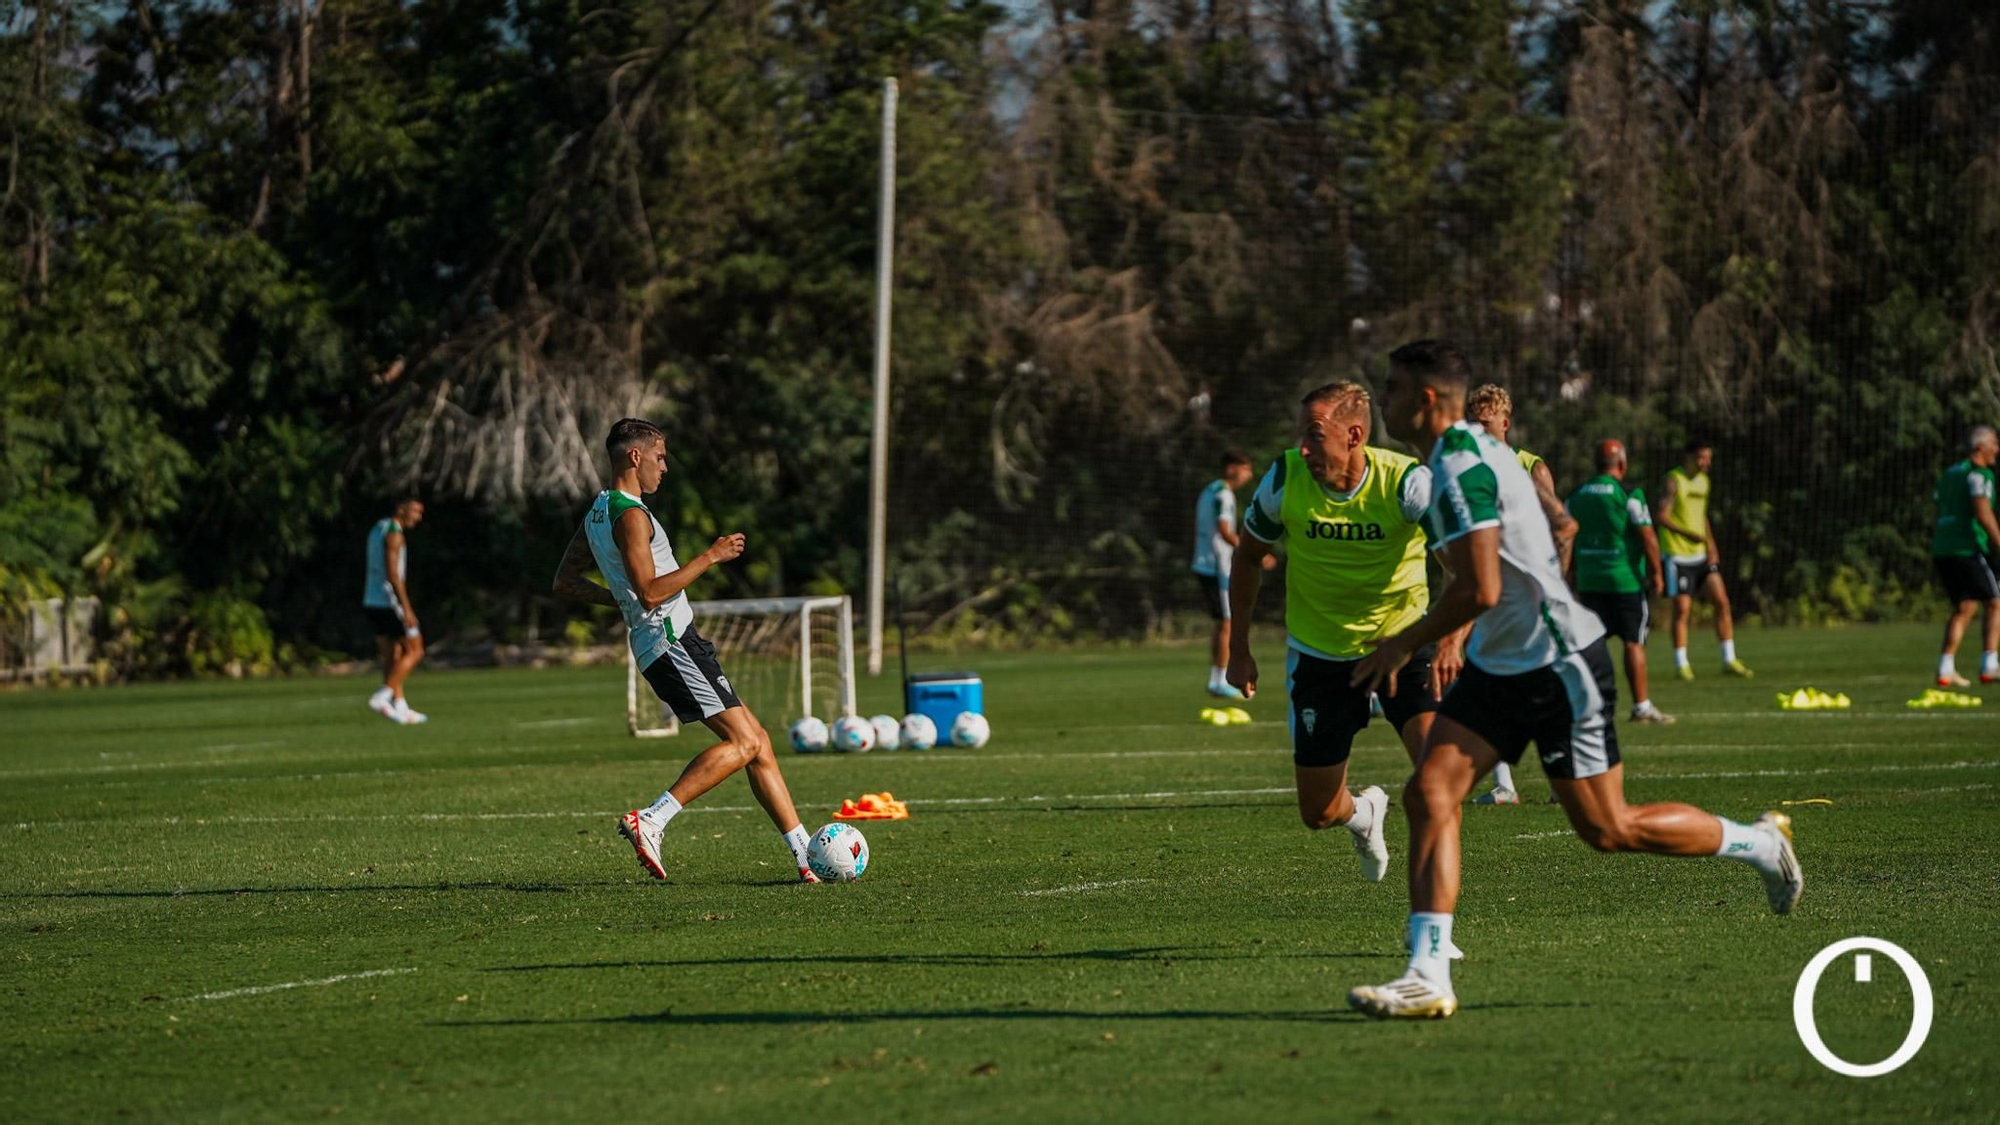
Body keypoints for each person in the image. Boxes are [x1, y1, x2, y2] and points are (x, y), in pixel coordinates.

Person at [1346, 340, 1801, 1020]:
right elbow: (1549, 526)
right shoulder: (1463, 451)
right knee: (1429, 791)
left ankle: (1760, 843)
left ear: (1428, 400)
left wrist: (1407, 641)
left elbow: (1481, 585)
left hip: (1559, 666)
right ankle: (1428, 971)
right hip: (1503, 666)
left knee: (1608, 828)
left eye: (1393, 387)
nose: (1383, 399)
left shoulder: (1464, 462)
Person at [551, 418, 821, 884]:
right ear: (635, 457)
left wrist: (618, 599)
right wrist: (709, 557)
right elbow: (652, 592)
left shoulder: (599, 511)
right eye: (660, 457)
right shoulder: (631, 515)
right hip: (671, 641)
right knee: (744, 742)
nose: (664, 467)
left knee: (759, 744)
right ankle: (652, 820)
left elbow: (565, 582)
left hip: (667, 642)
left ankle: (804, 854)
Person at [1227, 381, 1464, 885]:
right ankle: (1364, 814)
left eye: (1315, 437)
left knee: (1437, 786)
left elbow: (1463, 569)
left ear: (1355, 434)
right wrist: (1239, 648)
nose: (1304, 449)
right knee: (1318, 811)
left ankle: (1432, 932)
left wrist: (1448, 640)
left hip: (1403, 651)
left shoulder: (1408, 483)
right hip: (1321, 656)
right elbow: (1247, 555)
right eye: (1301, 437)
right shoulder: (1285, 477)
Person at [1463, 384, 1578, 804]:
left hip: (1529, 595)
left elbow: (1561, 526)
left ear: (1505, 424)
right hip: (1488, 593)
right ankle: (1504, 785)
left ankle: (1561, 780)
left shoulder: (1530, 467)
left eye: (1485, 423)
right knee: (1486, 683)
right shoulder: (1465, 469)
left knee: (1543, 684)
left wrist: (1553, 587)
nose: (1477, 431)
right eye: (1471, 423)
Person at [1569, 440, 1673, 723]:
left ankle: (1590, 706)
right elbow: (1648, 536)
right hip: (1624, 581)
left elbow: (1565, 535)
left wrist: (1570, 575)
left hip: (1589, 581)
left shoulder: (1576, 495)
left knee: (1591, 644)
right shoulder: (1629, 494)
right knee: (1633, 643)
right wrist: (1656, 573)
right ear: (1622, 464)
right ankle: (1641, 707)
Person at [1655, 441, 1753, 680]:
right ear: (1688, 458)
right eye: (1701, 458)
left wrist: (1711, 543)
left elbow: (1702, 516)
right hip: (1677, 554)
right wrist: (1686, 534)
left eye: (1708, 458)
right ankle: (1681, 664)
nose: (1706, 463)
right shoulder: (1674, 480)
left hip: (1700, 555)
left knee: (1722, 601)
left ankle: (1729, 659)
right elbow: (1662, 516)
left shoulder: (1704, 482)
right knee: (1683, 609)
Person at [1930, 425, 2000, 686]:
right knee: (1996, 600)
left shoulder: (1949, 474)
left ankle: (1945, 668)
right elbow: (1983, 512)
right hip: (1967, 548)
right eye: (1994, 443)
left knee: (1965, 607)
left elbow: (1935, 514)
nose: (1997, 449)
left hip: (1942, 548)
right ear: (1980, 447)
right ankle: (1990, 664)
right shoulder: (1980, 475)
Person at [1192, 452, 1258, 697]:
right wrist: (1254, 551)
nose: (1248, 475)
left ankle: (1216, 678)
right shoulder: (1223, 494)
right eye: (1246, 469)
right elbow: (1225, 531)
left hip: (1203, 562)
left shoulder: (1209, 490)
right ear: (1232, 468)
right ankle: (1220, 680)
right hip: (1217, 566)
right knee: (1228, 624)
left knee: (1222, 623)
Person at [363, 498, 428, 725]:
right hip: (389, 602)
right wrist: (407, 608)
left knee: (394, 655)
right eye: (415, 511)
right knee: (416, 650)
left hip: (371, 599)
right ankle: (383, 696)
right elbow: (393, 574)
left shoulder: (378, 527)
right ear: (401, 509)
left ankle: (400, 705)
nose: (418, 517)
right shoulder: (394, 533)